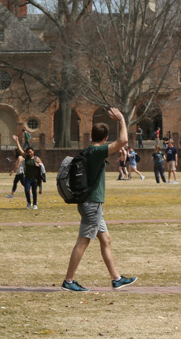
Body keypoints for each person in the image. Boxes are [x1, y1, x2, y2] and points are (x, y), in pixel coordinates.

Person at [62, 107, 137, 292]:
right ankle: (69, 281)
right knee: (83, 241)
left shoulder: (89, 150)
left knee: (106, 239)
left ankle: (116, 279)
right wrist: (120, 120)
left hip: (92, 204)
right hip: (91, 204)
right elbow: (123, 140)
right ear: (104, 139)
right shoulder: (96, 152)